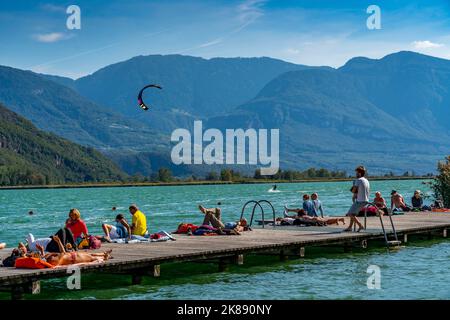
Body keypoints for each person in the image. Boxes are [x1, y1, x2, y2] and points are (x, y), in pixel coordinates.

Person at [37, 236, 112, 267]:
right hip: (74, 258)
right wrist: (58, 241)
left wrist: (42, 252)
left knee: (90, 255)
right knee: (92, 258)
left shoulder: (48, 258)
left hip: (72, 255)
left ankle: (104, 254)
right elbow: (62, 254)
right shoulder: (52, 261)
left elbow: (63, 254)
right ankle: (105, 256)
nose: (35, 254)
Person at [344, 166, 369, 232]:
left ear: (360, 173)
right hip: (365, 200)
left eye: (356, 173)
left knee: (349, 214)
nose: (356, 174)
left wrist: (353, 188)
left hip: (360, 201)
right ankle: (350, 227)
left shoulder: (358, 180)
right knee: (353, 214)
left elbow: (353, 191)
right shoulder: (366, 180)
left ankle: (360, 225)